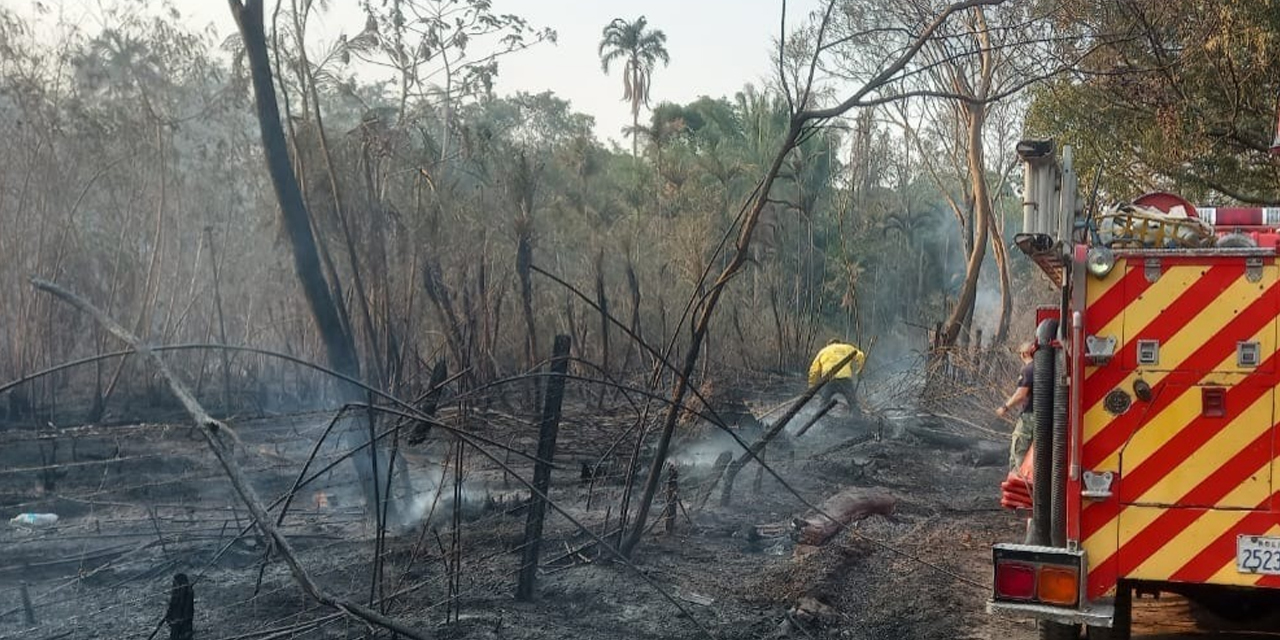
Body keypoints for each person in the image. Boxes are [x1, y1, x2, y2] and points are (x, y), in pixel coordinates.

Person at [997, 341, 1036, 472]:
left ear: (1024, 354)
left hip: (1029, 417)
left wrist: (1005, 407)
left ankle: (1018, 481)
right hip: (1042, 418)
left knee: (1019, 453)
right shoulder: (1043, 368)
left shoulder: (1028, 369)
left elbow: (1021, 395)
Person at [808, 338, 866, 414]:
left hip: (828, 380)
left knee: (823, 403)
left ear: (828, 344)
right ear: (839, 343)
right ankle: (857, 420)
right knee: (853, 404)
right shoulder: (847, 347)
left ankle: (821, 420)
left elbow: (813, 370)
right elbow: (861, 356)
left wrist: (812, 385)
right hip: (845, 380)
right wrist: (859, 370)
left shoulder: (823, 351)